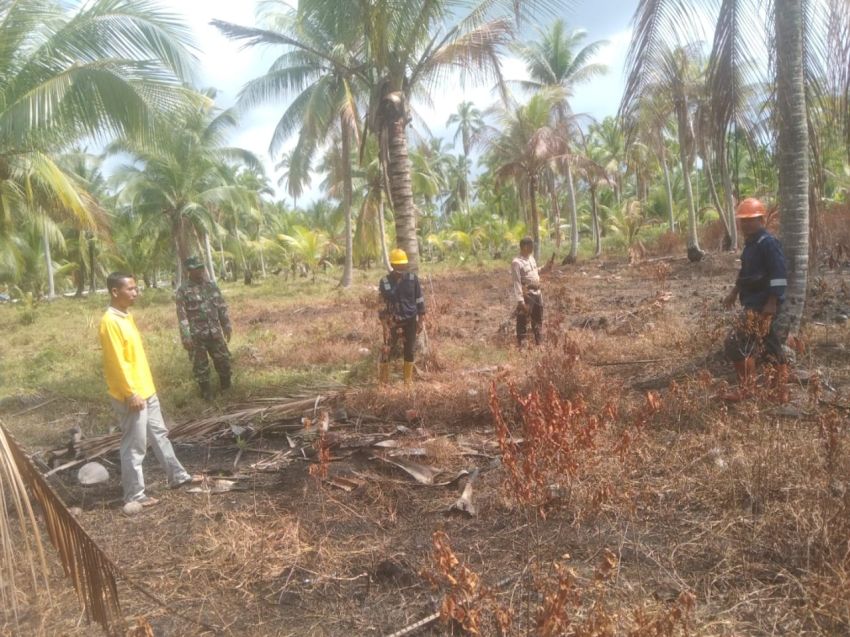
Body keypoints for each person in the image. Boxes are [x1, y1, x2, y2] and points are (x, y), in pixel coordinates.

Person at [99, 272, 195, 507]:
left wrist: (144, 390)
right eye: (130, 289)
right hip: (132, 395)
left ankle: (177, 476)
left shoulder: (125, 316)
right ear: (115, 292)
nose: (135, 292)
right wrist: (131, 393)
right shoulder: (110, 322)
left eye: (135, 288)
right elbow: (117, 363)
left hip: (146, 390)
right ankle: (134, 494)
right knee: (135, 445)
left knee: (159, 435)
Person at [721, 197, 789, 401]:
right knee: (769, 345)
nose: (746, 224)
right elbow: (745, 273)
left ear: (761, 220)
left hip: (764, 305)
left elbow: (779, 274)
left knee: (736, 343)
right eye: (743, 221)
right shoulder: (751, 244)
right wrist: (734, 292)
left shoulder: (768, 243)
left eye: (751, 220)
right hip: (752, 303)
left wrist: (772, 303)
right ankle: (768, 390)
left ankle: (762, 390)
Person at [175, 256, 232, 400]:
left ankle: (227, 388)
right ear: (189, 271)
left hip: (215, 332)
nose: (200, 271)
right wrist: (186, 336)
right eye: (196, 269)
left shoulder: (211, 286)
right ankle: (206, 393)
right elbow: (182, 317)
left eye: (201, 267)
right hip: (197, 336)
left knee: (223, 360)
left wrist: (226, 325)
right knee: (200, 366)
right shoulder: (183, 290)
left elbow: (221, 307)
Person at [378, 248, 426, 386]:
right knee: (387, 350)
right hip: (391, 322)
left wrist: (420, 321)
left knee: (409, 350)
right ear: (392, 265)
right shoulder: (385, 282)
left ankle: (407, 382)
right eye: (397, 265)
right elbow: (381, 305)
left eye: (402, 264)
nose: (400, 267)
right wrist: (384, 325)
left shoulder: (412, 279)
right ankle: (383, 383)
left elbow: (419, 300)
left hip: (410, 320)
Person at [511, 237, 553, 347]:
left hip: (537, 294)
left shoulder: (531, 259)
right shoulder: (516, 262)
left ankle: (539, 343)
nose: (532, 248)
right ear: (524, 247)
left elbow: (536, 272)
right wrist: (520, 301)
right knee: (523, 321)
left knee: (538, 320)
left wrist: (546, 267)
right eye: (530, 246)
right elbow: (517, 282)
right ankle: (522, 346)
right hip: (527, 295)